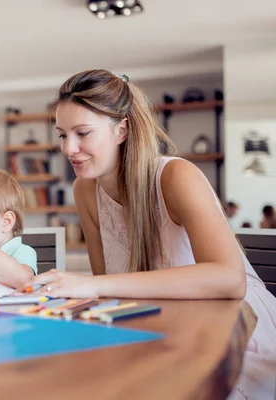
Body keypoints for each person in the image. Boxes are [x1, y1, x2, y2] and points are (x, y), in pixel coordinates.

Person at [23, 70, 276, 396]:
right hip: (165, 326)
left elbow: (231, 279)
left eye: (82, 133)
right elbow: (111, 292)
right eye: (61, 135)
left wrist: (91, 284)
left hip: (237, 333)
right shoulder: (84, 190)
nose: (69, 148)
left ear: (121, 130)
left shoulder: (176, 176)